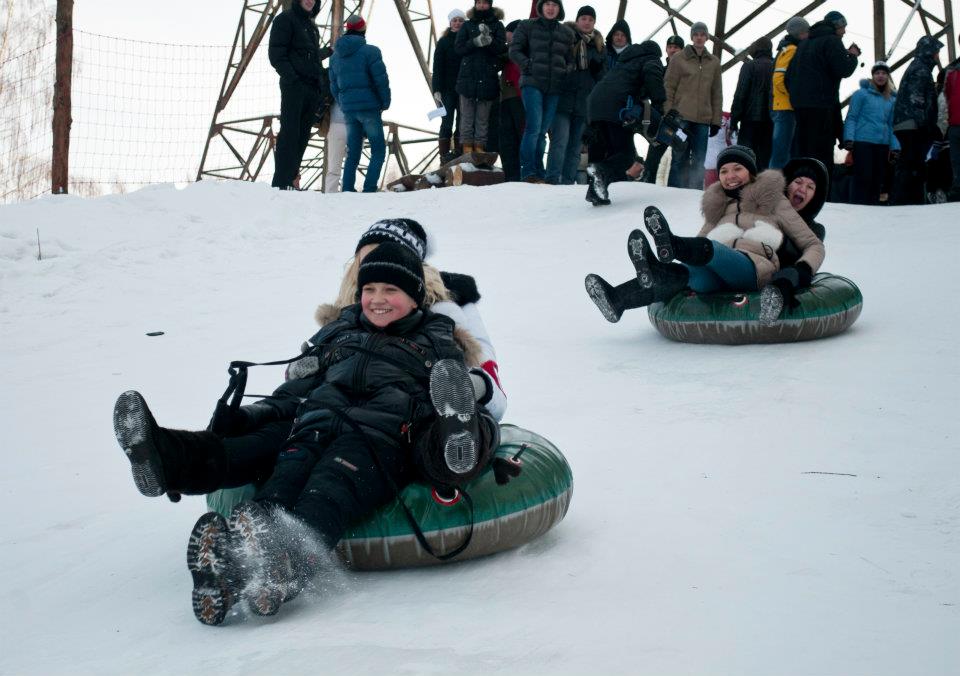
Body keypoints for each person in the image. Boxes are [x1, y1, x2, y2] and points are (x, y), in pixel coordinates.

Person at [584, 145, 825, 326]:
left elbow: (813, 244)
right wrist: (679, 259)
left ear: (751, 173)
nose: (730, 175)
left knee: (711, 249)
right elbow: (697, 248)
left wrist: (800, 272)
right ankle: (618, 299)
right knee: (686, 273)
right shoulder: (718, 209)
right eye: (724, 171)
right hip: (716, 278)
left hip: (752, 268)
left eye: (737, 169)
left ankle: (670, 246)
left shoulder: (773, 201)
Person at [584, 40, 665, 205]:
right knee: (626, 156)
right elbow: (652, 75)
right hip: (617, 108)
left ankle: (596, 193)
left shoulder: (624, 63)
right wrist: (659, 103)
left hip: (594, 105)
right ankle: (600, 173)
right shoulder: (651, 59)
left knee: (607, 154)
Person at [785, 11, 860, 174]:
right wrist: (853, 56)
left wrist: (797, 97)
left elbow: (788, 77)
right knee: (821, 153)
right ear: (837, 25)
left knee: (802, 150)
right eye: (843, 27)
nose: (844, 32)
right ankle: (821, 190)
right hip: (822, 105)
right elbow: (843, 69)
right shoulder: (832, 41)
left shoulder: (804, 44)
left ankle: (798, 184)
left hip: (800, 106)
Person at [509, 0, 575, 183]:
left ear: (559, 8)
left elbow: (570, 59)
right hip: (532, 83)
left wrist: (566, 70)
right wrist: (527, 65)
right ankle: (529, 171)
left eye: (555, 4)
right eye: (547, 4)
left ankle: (539, 172)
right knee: (534, 127)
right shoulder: (527, 26)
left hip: (555, 87)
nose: (551, 8)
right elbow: (514, 50)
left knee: (543, 130)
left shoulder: (566, 33)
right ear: (541, 7)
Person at [268, 0, 331, 190]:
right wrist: (292, 78)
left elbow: (308, 57)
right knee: (290, 133)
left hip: (311, 88)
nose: (310, 1)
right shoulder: (285, 20)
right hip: (294, 86)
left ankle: (292, 179)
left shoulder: (310, 25)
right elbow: (277, 54)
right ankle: (281, 183)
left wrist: (328, 52)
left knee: (302, 135)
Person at [329, 15, 391, 193]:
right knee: (378, 149)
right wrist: (384, 102)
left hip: (349, 110)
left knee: (353, 152)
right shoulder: (371, 51)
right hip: (369, 108)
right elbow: (381, 81)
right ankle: (369, 188)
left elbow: (334, 86)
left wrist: (344, 103)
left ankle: (347, 189)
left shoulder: (335, 57)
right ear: (363, 30)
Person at [546, 5, 605, 184]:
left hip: (584, 104)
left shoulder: (600, 46)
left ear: (594, 22)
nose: (587, 23)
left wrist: (597, 71)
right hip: (564, 100)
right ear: (577, 21)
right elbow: (555, 64)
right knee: (559, 142)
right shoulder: (566, 39)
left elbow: (604, 78)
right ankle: (552, 179)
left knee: (575, 148)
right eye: (583, 19)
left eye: (590, 19)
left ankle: (567, 182)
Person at [664, 21, 722, 189]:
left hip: (703, 119)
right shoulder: (678, 58)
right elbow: (669, 86)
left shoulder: (714, 62)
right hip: (681, 116)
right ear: (692, 36)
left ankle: (694, 195)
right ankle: (673, 192)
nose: (699, 38)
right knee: (679, 156)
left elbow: (716, 93)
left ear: (707, 37)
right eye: (696, 34)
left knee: (699, 159)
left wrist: (716, 121)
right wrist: (668, 112)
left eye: (702, 35)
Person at [891, 35, 944, 205]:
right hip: (912, 125)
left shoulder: (918, 67)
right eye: (936, 52)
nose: (938, 56)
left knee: (910, 162)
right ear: (929, 51)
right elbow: (917, 99)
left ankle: (907, 199)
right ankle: (905, 201)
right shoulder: (921, 70)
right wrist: (925, 126)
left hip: (908, 123)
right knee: (911, 163)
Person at [842, 62, 900, 205]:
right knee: (863, 177)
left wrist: (895, 147)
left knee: (877, 179)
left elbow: (892, 125)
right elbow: (852, 117)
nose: (880, 76)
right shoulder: (861, 94)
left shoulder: (892, 99)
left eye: (884, 73)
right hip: (863, 142)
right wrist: (849, 138)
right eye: (877, 73)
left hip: (882, 144)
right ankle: (856, 206)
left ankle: (872, 209)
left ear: (888, 76)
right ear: (873, 76)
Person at [455, 0, 507, 155]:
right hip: (468, 77)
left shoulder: (498, 26)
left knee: (483, 117)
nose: (482, 6)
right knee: (467, 115)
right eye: (479, 3)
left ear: (490, 5)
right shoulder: (467, 25)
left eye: (485, 3)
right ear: (475, 4)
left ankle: (480, 146)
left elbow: (501, 49)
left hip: (488, 76)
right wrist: (475, 42)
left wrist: (489, 42)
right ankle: (466, 146)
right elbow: (458, 48)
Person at [769, 16, 810, 169]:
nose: (808, 35)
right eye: (806, 32)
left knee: (782, 153)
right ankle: (773, 187)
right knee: (781, 154)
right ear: (799, 33)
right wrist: (794, 98)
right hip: (786, 107)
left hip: (784, 106)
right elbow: (778, 79)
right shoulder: (792, 50)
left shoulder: (788, 49)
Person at [730, 36, 774, 171]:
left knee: (745, 160)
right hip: (771, 121)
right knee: (764, 161)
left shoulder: (749, 66)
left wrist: (734, 121)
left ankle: (744, 190)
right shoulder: (776, 66)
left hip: (749, 121)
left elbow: (740, 94)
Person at [432, 9, 466, 163]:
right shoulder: (444, 42)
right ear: (450, 23)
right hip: (447, 89)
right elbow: (437, 66)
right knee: (446, 121)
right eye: (455, 20)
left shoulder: (467, 41)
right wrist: (436, 89)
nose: (457, 23)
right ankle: (444, 156)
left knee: (462, 120)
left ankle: (459, 152)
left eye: (460, 20)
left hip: (464, 88)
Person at [499, 20, 526, 181]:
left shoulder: (522, 50)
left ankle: (522, 174)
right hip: (506, 98)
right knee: (507, 140)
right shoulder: (506, 51)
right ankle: (511, 176)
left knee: (520, 136)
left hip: (520, 96)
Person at [944, 36, 960, 202]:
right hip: (955, 124)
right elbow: (947, 94)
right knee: (956, 162)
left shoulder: (952, 70)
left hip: (954, 122)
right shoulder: (951, 70)